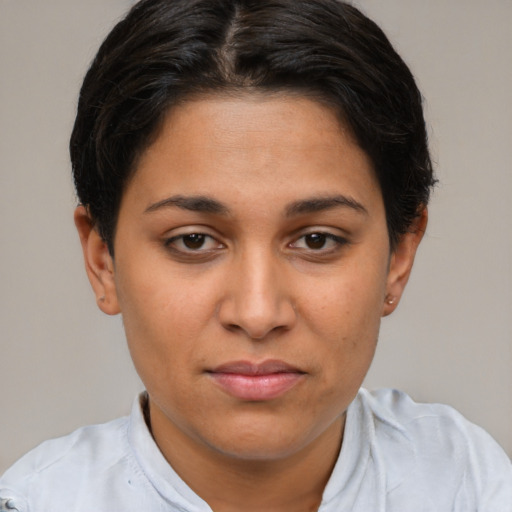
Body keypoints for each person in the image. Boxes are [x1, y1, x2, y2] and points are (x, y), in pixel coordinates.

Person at [1, 0, 510, 510]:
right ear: (102, 261)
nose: (258, 313)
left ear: (397, 258)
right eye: (193, 240)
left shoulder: (466, 482)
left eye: (317, 240)